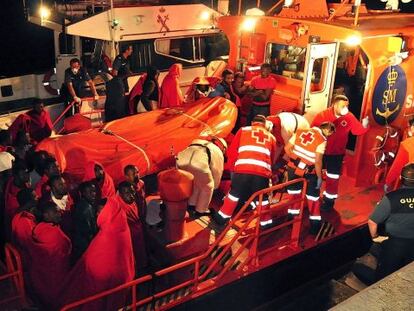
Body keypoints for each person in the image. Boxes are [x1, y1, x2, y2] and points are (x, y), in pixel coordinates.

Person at [59, 185, 135, 311]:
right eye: (97, 212)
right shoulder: (121, 225)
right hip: (123, 281)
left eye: (101, 212)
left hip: (103, 286)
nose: (97, 215)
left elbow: (96, 264)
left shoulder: (107, 234)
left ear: (109, 212)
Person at [212, 115, 276, 228]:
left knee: (233, 195)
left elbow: (232, 152)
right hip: (262, 174)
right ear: (265, 125)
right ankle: (266, 224)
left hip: (242, 170)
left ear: (252, 123)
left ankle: (221, 219)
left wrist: (232, 170)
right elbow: (272, 158)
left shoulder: (243, 130)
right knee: (262, 200)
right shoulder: (271, 137)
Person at [312, 95, 369, 211]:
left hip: (337, 154)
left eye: (347, 105)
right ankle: (313, 199)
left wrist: (365, 125)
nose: (346, 108)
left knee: (333, 178)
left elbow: (357, 131)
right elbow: (313, 132)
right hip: (321, 152)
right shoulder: (322, 116)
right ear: (335, 104)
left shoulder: (349, 117)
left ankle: (329, 202)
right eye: (343, 105)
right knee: (314, 175)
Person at [364, 164, 414, 283]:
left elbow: (372, 222)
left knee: (384, 273)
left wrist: (375, 237)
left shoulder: (391, 198)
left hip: (394, 244)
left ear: (401, 179)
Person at [284, 122, 336, 234]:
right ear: (327, 130)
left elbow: (287, 149)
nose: (329, 136)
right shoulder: (322, 140)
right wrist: (319, 177)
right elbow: (318, 161)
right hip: (309, 172)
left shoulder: (300, 131)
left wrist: (298, 161)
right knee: (313, 199)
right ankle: (314, 226)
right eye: (330, 133)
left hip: (293, 169)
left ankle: (291, 220)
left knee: (294, 194)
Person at [29, 201, 72, 306]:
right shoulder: (52, 233)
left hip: (40, 273)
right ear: (46, 215)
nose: (59, 214)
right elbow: (64, 248)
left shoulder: (38, 228)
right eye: (55, 212)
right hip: (55, 273)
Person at [176, 136, 227, 216]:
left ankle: (191, 204)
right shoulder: (218, 152)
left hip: (180, 161)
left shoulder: (197, 141)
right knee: (207, 186)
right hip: (198, 164)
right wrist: (215, 187)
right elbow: (217, 171)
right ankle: (201, 210)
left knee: (196, 183)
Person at [117, 181, 148, 271]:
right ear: (120, 194)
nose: (131, 195)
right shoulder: (118, 209)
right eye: (127, 193)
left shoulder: (132, 201)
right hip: (128, 239)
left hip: (138, 234)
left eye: (132, 191)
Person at [72, 181, 100, 262]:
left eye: (94, 191)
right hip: (85, 247)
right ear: (83, 193)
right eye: (90, 192)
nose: (93, 194)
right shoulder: (85, 208)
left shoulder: (86, 205)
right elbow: (89, 232)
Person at [4, 160, 30, 238]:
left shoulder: (22, 183)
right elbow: (12, 214)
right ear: (15, 176)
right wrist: (28, 205)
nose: (27, 175)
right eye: (23, 174)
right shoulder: (12, 194)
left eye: (26, 172)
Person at [11, 188, 38, 260]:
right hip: (28, 259)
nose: (38, 197)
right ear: (29, 202)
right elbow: (30, 246)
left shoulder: (25, 214)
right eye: (35, 197)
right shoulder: (24, 221)